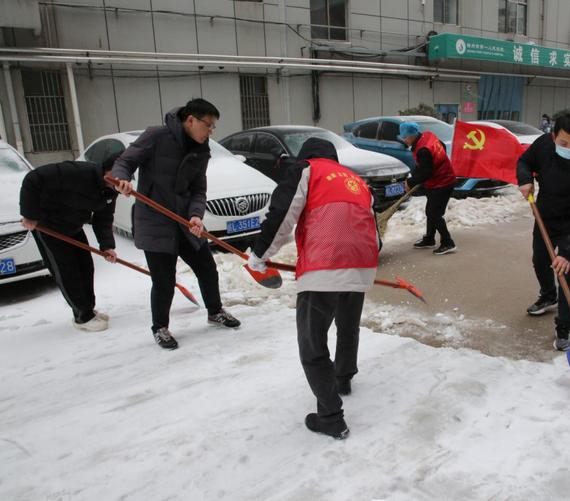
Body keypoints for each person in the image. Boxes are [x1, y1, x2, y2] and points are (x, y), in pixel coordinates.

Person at [247, 138, 379, 440]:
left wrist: (259, 256)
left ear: (306, 156)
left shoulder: (305, 169)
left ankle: (330, 416)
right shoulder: (356, 181)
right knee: (348, 325)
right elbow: (374, 228)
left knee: (312, 342)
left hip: (324, 264)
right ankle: (343, 378)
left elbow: (282, 214)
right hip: (361, 262)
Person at [111, 98, 240, 350]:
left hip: (184, 222)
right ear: (190, 120)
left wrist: (195, 215)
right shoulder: (156, 137)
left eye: (213, 127)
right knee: (164, 280)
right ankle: (159, 327)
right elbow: (124, 162)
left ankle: (215, 311)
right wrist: (121, 179)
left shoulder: (201, 150)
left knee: (206, 268)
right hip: (155, 221)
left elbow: (198, 190)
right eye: (209, 125)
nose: (211, 131)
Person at [517, 109, 570, 351]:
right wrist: (525, 179)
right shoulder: (544, 146)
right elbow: (525, 161)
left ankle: (564, 326)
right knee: (540, 260)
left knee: (566, 272)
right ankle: (548, 295)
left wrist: (568, 251)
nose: (569, 147)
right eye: (564, 142)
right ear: (553, 136)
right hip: (545, 217)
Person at [19, 155, 120, 332]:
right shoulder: (77, 173)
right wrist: (29, 214)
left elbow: (103, 218)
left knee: (86, 267)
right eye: (118, 174)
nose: (120, 180)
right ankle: (82, 316)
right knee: (66, 270)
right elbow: (33, 179)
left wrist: (106, 246)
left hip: (73, 226)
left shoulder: (111, 189)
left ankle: (89, 309)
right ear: (108, 170)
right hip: (48, 225)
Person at [399, 121, 457, 255]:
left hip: (442, 182)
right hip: (439, 181)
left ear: (413, 135)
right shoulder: (427, 136)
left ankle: (448, 242)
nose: (404, 140)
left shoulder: (423, 150)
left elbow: (426, 172)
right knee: (431, 211)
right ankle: (430, 238)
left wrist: (410, 182)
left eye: (405, 137)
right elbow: (440, 146)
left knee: (434, 213)